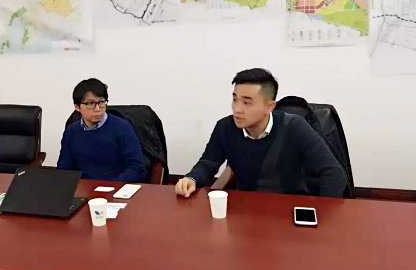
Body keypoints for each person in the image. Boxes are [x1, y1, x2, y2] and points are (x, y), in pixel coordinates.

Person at [175, 68, 347, 198]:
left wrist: (323, 214)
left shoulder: (294, 126)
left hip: (289, 207)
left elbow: (333, 172)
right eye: (235, 99)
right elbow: (208, 163)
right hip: (247, 208)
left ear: (269, 106)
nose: (237, 109)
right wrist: (192, 179)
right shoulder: (225, 127)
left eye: (247, 102)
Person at [57, 78, 146, 182]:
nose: (98, 109)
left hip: (115, 186)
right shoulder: (71, 131)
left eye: (101, 102)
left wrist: (110, 185)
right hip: (84, 187)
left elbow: (137, 169)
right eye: (91, 103)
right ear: (77, 107)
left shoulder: (122, 128)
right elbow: (64, 170)